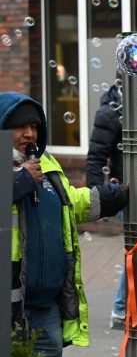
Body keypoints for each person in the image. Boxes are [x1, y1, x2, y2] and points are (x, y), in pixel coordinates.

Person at [4, 92, 129, 356]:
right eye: (20, 127)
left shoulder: (45, 163)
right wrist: (21, 180)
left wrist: (113, 196)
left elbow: (70, 203)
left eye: (34, 126)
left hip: (46, 305)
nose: (29, 134)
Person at [84, 84, 128, 329]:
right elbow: (96, 157)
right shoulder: (110, 112)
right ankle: (120, 310)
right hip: (124, 191)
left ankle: (124, 308)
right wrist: (95, 198)